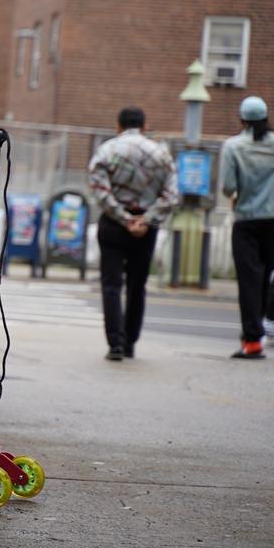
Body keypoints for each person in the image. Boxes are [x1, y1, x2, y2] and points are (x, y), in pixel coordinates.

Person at [88, 106, 178, 361]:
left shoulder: (107, 150)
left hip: (114, 225)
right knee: (137, 286)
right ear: (144, 125)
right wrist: (145, 220)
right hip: (146, 228)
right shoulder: (161, 153)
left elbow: (99, 190)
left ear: (118, 125)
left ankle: (115, 344)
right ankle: (130, 343)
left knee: (112, 284)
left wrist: (124, 218)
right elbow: (171, 196)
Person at [221, 96, 274, 360]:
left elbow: (228, 186)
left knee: (249, 280)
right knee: (264, 278)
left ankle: (252, 340)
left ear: (242, 119)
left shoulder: (233, 146)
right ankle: (255, 332)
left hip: (246, 219)